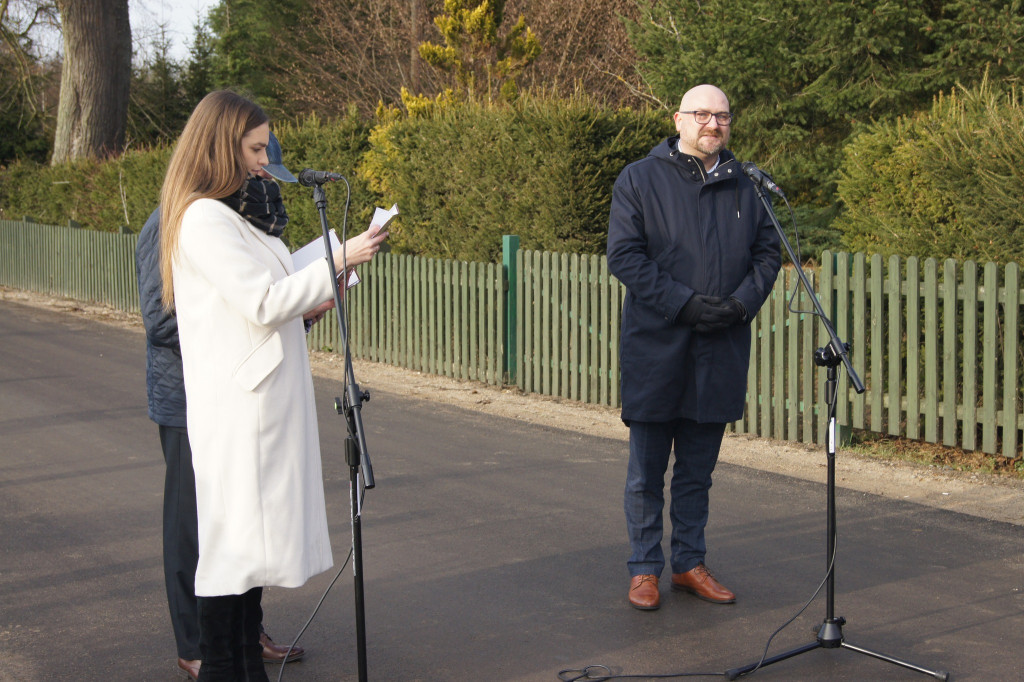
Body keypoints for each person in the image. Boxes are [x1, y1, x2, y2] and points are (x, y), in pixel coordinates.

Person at [154, 90, 387, 681]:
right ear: (222, 143)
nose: (264, 160)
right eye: (256, 147)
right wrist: (337, 260)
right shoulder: (205, 217)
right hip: (240, 413)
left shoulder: (231, 214)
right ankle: (224, 669)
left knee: (247, 556)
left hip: (259, 406)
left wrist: (337, 258)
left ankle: (242, 668)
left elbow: (275, 283)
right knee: (232, 552)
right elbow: (261, 302)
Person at [606, 84, 781, 611]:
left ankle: (688, 562)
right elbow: (626, 257)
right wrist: (684, 304)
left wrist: (741, 304)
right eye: (702, 114)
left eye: (722, 116)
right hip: (657, 346)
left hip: (719, 349)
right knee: (646, 473)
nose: (713, 124)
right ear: (678, 119)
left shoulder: (747, 184)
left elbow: (767, 254)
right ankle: (644, 569)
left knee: (697, 472)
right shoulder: (640, 178)